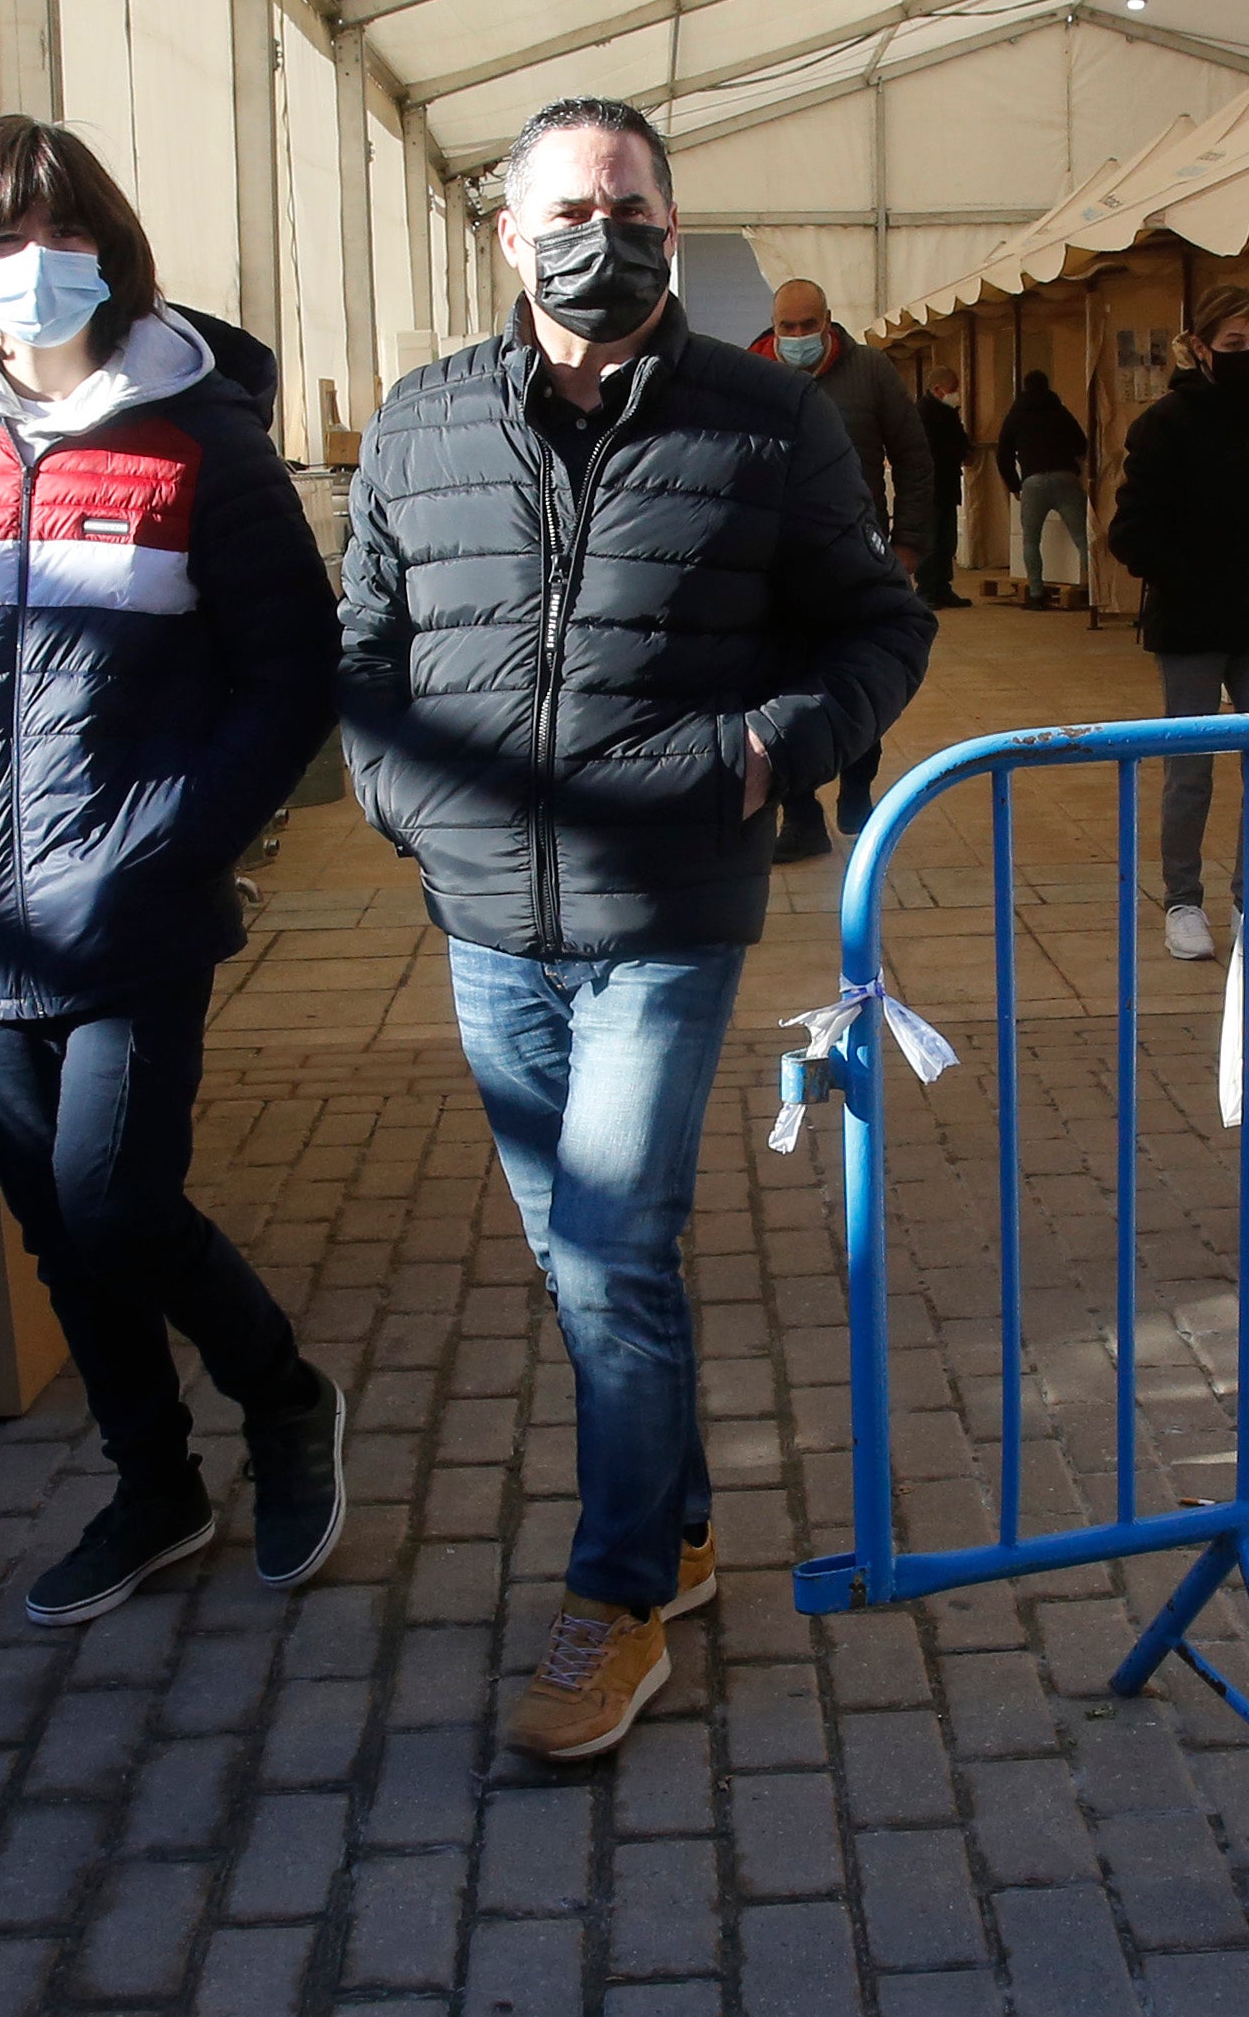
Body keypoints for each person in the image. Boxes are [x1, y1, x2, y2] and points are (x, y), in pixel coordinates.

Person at [339, 96, 933, 1759]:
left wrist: (768, 749)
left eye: (632, 207)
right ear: (511, 232)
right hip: (484, 918)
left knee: (604, 1249)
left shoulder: (768, 419)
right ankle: (673, 1524)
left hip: (667, 908)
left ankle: (613, 1601)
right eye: (568, 209)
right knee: (589, 1255)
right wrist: (397, 795)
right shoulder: (424, 418)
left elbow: (879, 624)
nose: (601, 236)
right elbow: (366, 640)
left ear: (670, 226)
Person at [0, 117, 345, 1629]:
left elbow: (291, 675)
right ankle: (153, 1484)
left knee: (119, 1203)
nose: (28, 268)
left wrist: (171, 843)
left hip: (130, 912)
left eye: (55, 233)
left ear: (111, 250)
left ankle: (281, 1400)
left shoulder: (198, 440)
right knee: (57, 1231)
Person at [1109, 285, 1249, 961]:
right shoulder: (1164, 424)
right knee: (1191, 766)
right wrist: (1191, 570)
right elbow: (1130, 530)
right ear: (1202, 347)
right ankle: (1182, 899)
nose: (1247, 357)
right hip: (1189, 619)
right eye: (1234, 345)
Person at [754, 278, 935, 854]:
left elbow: (913, 459)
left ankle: (858, 786)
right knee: (780, 684)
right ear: (774, 327)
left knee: (860, 674)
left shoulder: (871, 372)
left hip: (858, 555)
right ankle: (800, 816)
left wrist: (907, 547)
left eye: (810, 325)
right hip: (774, 564)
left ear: (829, 321)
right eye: (789, 327)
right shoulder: (750, 373)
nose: (800, 337)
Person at [998, 367, 1091, 607]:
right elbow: (1081, 444)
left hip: (1033, 481)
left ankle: (1037, 594)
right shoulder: (1060, 411)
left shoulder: (1016, 414)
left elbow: (1003, 453)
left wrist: (1013, 485)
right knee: (1083, 538)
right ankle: (1092, 590)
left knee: (1030, 540)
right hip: (1065, 477)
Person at [914, 371, 974, 609]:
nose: (957, 393)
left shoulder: (949, 412)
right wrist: (959, 453)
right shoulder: (923, 413)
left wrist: (966, 450)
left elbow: (959, 438)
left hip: (948, 484)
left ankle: (942, 586)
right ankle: (926, 589)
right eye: (953, 388)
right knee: (930, 539)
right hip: (931, 486)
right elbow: (930, 449)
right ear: (938, 389)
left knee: (946, 540)